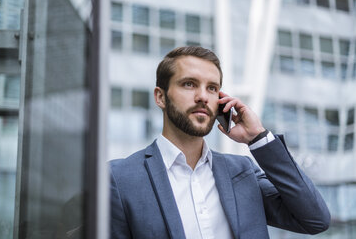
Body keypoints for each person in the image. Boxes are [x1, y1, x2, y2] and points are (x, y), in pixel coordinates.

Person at [109, 46, 330, 239]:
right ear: (160, 97)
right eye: (189, 84)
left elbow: (315, 219)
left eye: (212, 88)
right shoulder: (119, 178)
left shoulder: (242, 172)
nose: (203, 97)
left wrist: (258, 138)